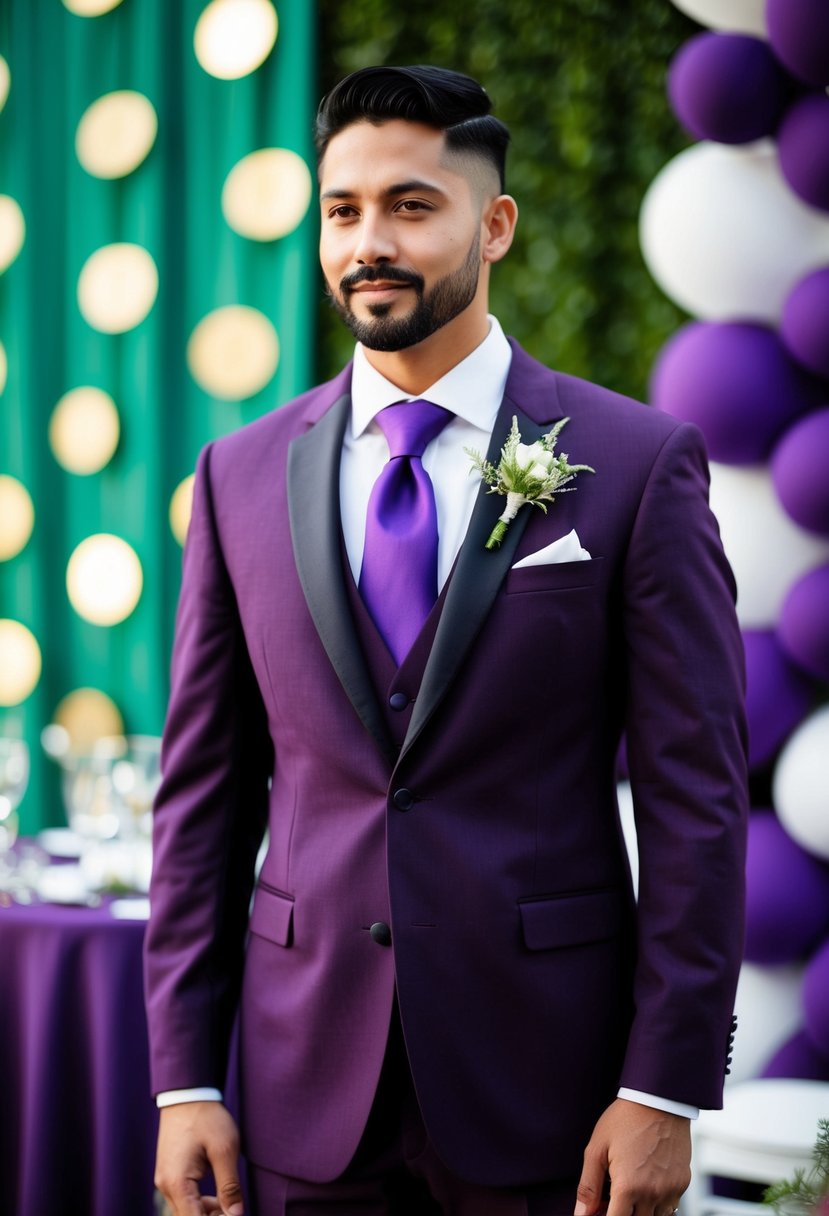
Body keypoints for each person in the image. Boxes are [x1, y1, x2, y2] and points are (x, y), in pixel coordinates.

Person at [144, 64, 748, 1216]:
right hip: (298, 1081)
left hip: (550, 1090)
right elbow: (201, 799)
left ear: (495, 224)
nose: (369, 240)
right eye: (343, 209)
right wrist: (182, 1078)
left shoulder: (634, 465)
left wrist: (662, 1088)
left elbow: (696, 799)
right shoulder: (237, 476)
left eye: (412, 206)